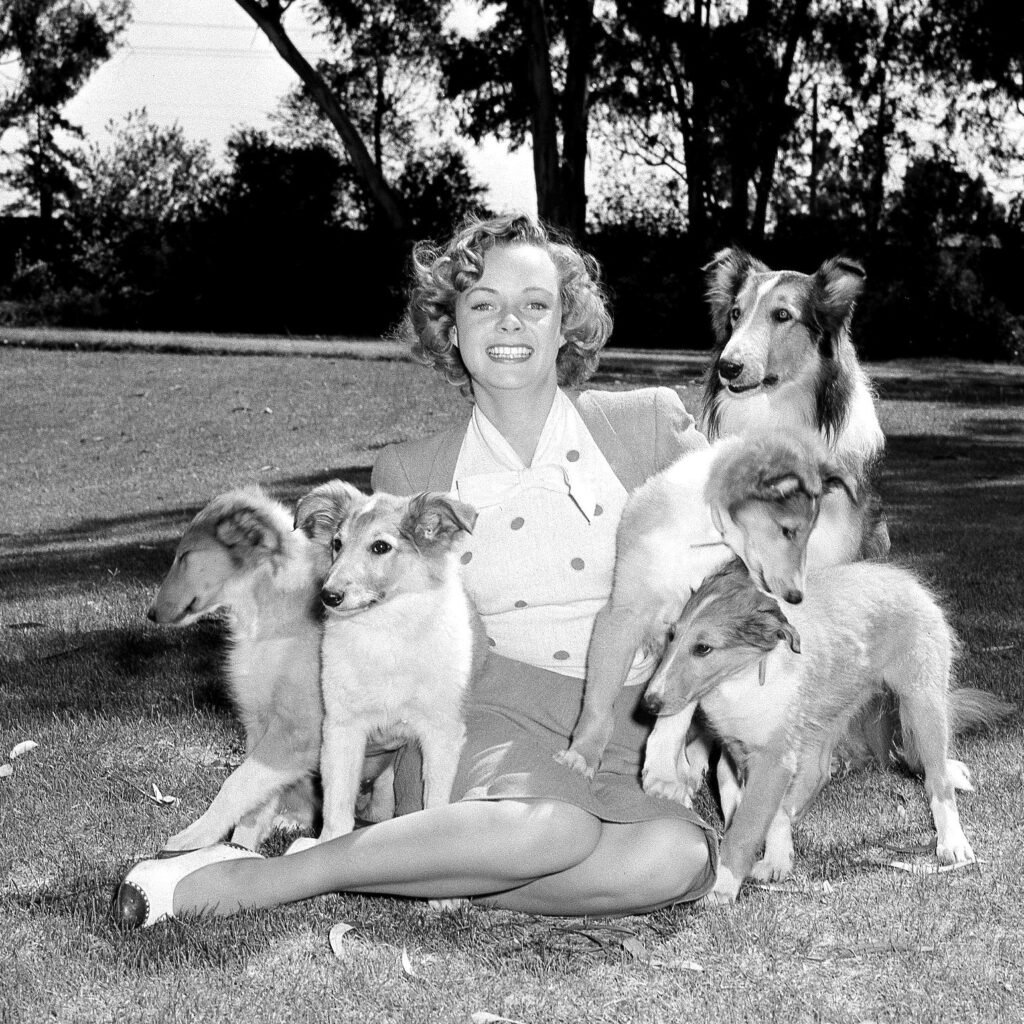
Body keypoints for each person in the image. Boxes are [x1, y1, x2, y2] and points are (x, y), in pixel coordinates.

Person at [114, 212, 718, 928]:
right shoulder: (410, 472)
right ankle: (271, 878)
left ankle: (412, 859)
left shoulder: (647, 422)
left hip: (635, 720)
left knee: (677, 861)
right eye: (483, 305)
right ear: (451, 330)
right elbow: (383, 636)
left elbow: (735, 571)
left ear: (567, 326)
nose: (511, 323)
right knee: (553, 830)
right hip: (487, 715)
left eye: (536, 304)